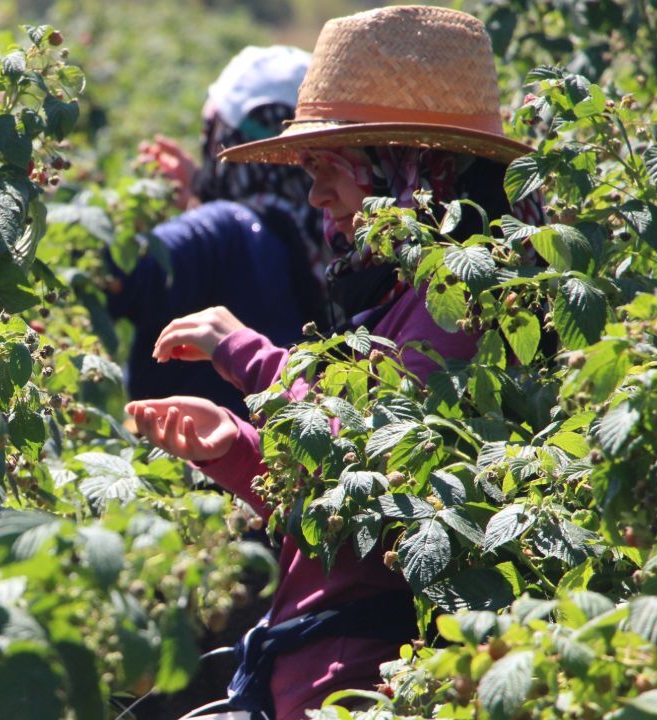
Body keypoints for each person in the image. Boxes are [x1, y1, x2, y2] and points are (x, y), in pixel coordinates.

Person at [125, 7, 545, 720]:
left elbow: (385, 477)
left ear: (413, 169)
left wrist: (250, 357)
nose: (317, 194)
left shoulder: (463, 304)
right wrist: (237, 449)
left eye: (333, 168)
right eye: (312, 170)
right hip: (308, 674)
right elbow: (344, 512)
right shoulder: (397, 296)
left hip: (360, 686)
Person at [107, 46, 327, 419]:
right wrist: (200, 198)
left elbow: (114, 276)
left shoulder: (222, 228)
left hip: (207, 465)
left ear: (221, 138)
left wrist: (129, 224)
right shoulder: (333, 236)